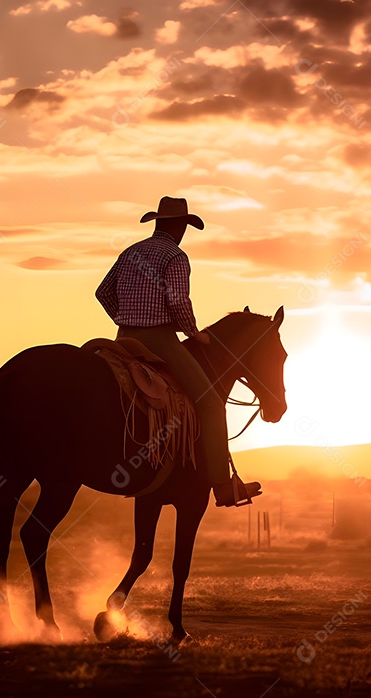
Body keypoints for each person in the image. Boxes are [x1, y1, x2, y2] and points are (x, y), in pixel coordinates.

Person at [95, 196, 260, 507]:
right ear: (179, 226)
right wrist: (194, 332)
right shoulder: (175, 256)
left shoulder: (130, 252)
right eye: (184, 226)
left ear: (157, 222)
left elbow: (102, 292)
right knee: (211, 403)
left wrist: (124, 318)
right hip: (160, 340)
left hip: (123, 338)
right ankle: (224, 487)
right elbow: (178, 301)